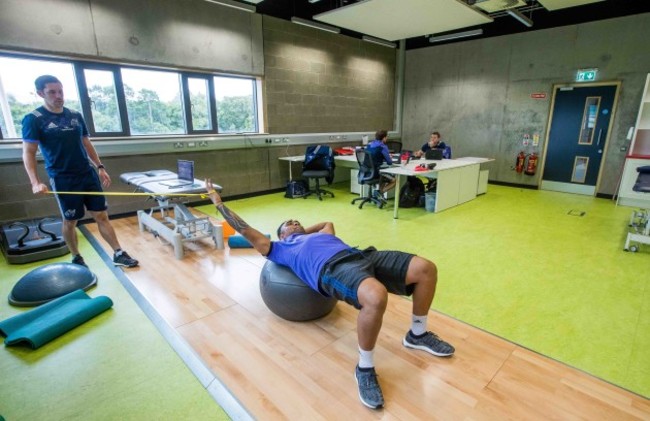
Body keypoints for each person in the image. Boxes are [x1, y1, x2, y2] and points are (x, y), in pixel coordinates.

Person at [204, 179, 455, 410]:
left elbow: (327, 223)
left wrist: (301, 231)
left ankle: (417, 334)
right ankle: (364, 368)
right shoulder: (278, 248)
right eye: (288, 223)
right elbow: (246, 229)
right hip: (333, 269)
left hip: (362, 255)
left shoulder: (320, 233)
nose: (294, 222)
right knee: (376, 296)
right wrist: (218, 202)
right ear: (281, 235)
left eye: (296, 219)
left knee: (425, 269)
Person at [21, 75, 138, 268]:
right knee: (71, 221)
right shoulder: (33, 119)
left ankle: (118, 253)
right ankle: (76, 256)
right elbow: (28, 152)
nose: (58, 96)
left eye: (60, 91)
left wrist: (100, 167)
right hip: (63, 178)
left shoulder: (75, 115)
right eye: (52, 92)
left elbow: (86, 143)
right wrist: (35, 182)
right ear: (41, 93)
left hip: (87, 175)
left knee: (101, 215)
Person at [366, 129, 396, 197]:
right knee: (394, 180)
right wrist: (388, 157)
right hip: (377, 172)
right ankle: (380, 192)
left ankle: (379, 194)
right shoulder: (383, 147)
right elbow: (389, 163)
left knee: (383, 174)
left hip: (367, 171)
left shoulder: (369, 145)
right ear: (384, 138)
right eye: (386, 137)